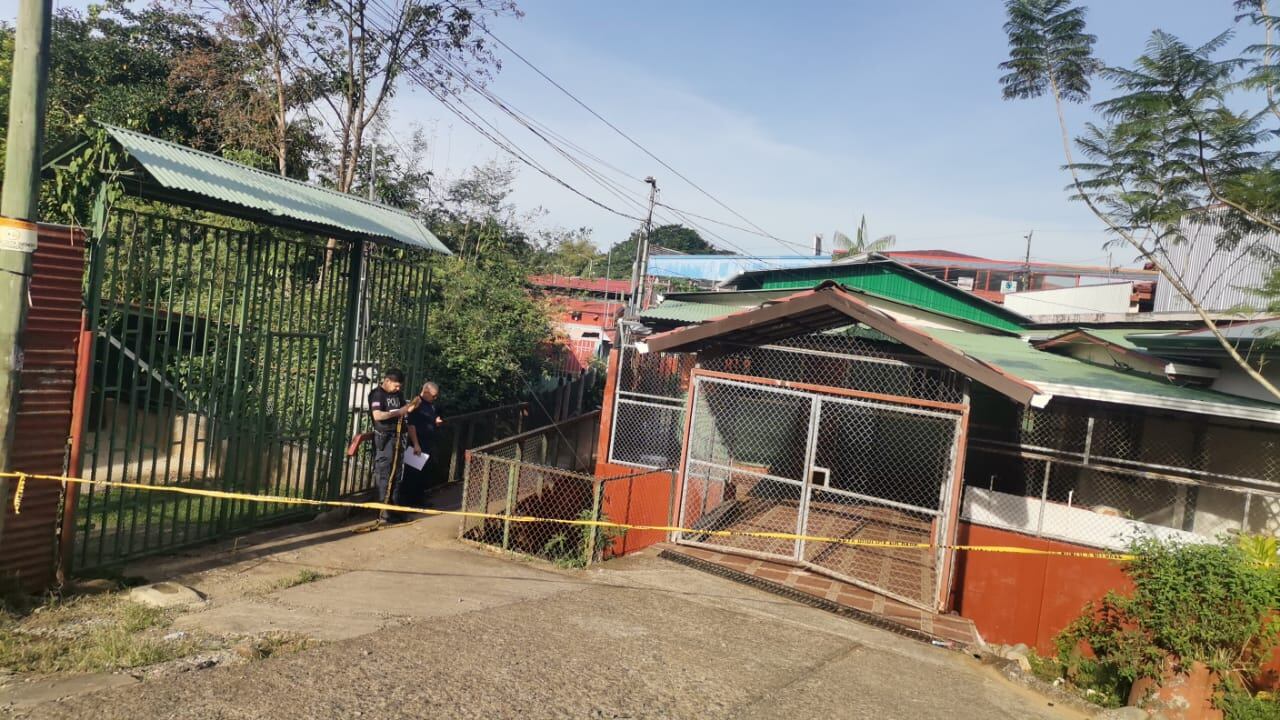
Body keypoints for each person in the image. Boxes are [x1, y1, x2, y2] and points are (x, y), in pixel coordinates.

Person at [367, 368, 419, 523]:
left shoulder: (398, 395)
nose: (398, 389)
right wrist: (399, 412)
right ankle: (384, 512)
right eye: (396, 386)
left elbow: (404, 410)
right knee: (385, 474)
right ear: (387, 381)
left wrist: (412, 406)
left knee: (396, 475)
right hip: (385, 438)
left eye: (399, 386)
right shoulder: (377, 394)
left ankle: (395, 509)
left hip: (398, 438)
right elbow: (378, 415)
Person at [405, 381, 445, 507]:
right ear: (426, 392)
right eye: (434, 396)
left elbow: (427, 420)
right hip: (418, 443)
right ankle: (408, 502)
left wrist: (435, 422)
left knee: (423, 474)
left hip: (427, 444)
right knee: (412, 474)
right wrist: (416, 444)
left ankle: (419, 500)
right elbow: (411, 424)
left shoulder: (431, 405)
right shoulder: (418, 402)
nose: (435, 398)